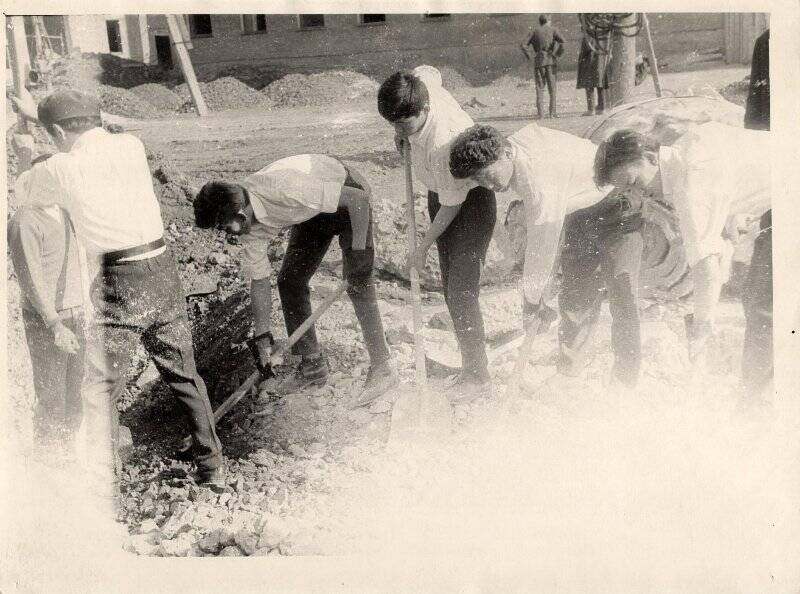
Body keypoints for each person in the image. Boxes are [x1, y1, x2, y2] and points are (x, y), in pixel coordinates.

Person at [11, 90, 224, 507]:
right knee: (183, 374)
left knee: (100, 386)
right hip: (162, 268)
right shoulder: (130, 145)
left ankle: (104, 486)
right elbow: (97, 129)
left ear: (56, 132)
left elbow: (24, 192)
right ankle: (213, 465)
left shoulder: (60, 166)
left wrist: (26, 137)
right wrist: (41, 114)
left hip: (120, 279)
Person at [448, 123, 646, 388]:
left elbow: (542, 243)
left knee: (623, 294)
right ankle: (569, 373)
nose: (488, 185)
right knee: (576, 293)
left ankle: (625, 381)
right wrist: (538, 296)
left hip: (618, 202)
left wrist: (532, 301)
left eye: (487, 175)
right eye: (479, 180)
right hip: (579, 208)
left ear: (506, 154)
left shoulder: (536, 177)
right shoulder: (510, 149)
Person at [193, 156, 398, 408]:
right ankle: (312, 366)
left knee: (358, 282)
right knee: (290, 281)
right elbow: (259, 281)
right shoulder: (248, 227)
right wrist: (262, 336)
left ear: (240, 214)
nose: (226, 234)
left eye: (225, 228)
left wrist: (358, 253)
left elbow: (358, 200)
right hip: (310, 210)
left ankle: (382, 367)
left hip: (348, 195)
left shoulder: (285, 188)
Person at [592, 121, 770, 390]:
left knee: (763, 305)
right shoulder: (687, 147)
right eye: (628, 191)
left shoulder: (691, 182)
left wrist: (701, 327)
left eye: (635, 182)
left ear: (650, 157)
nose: (639, 194)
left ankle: (759, 410)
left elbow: (706, 269)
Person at [378, 65, 497, 401]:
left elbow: (452, 202)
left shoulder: (445, 141)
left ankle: (479, 377)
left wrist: (422, 247)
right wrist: (401, 134)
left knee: (461, 291)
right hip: (442, 193)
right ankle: (470, 365)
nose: (400, 129)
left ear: (425, 109)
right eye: (393, 122)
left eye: (405, 123)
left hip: (470, 202)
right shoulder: (419, 87)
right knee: (450, 289)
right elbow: (428, 71)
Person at [7, 156, 86, 448]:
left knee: (75, 389)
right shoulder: (25, 222)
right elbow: (31, 281)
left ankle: (68, 453)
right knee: (51, 391)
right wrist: (54, 325)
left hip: (76, 314)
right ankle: (48, 459)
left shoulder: (64, 213)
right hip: (48, 320)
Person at [741, 28, 772, 395]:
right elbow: (756, 129)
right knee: (763, 299)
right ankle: (756, 402)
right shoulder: (768, 42)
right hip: (777, 187)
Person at [522, 14, 565, 119]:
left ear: (540, 21)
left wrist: (530, 57)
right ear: (548, 20)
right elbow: (563, 42)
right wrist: (556, 55)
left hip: (538, 62)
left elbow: (523, 45)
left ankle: (541, 115)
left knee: (539, 89)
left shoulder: (534, 31)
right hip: (550, 61)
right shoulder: (553, 29)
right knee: (552, 89)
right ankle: (552, 113)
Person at [577, 13, 610, 116]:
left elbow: (585, 49)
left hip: (590, 62)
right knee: (600, 84)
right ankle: (602, 107)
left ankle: (591, 109)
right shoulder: (602, 33)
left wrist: (580, 59)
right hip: (600, 62)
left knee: (589, 85)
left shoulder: (589, 34)